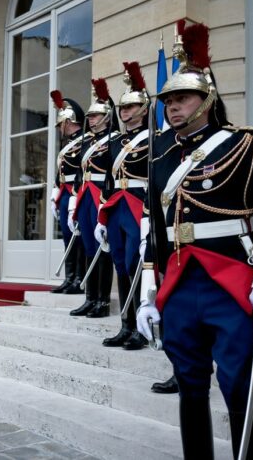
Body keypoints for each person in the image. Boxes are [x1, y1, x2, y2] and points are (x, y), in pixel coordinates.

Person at [136, 20, 253, 459]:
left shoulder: (243, 147)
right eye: (169, 100)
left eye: (183, 98)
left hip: (232, 283)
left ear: (207, 98)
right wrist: (147, 294)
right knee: (190, 386)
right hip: (178, 285)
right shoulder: (158, 156)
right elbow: (157, 232)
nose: (173, 107)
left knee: (238, 387)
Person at [95, 62, 149, 350]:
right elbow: (107, 179)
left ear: (143, 109)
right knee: (119, 263)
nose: (125, 112)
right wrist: (101, 218)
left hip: (140, 204)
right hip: (116, 205)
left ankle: (143, 326)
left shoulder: (153, 138)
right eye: (123, 109)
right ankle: (125, 324)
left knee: (135, 264)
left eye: (130, 108)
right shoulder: (115, 141)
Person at [69, 78, 121, 318]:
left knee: (104, 247)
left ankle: (102, 301)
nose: (89, 119)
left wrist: (106, 199)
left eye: (95, 115)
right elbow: (80, 173)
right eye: (89, 116)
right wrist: (73, 201)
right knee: (89, 246)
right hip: (85, 195)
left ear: (107, 117)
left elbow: (115, 172)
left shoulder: (116, 139)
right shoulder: (87, 141)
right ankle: (90, 297)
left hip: (102, 194)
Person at [49, 90, 89, 294]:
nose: (59, 128)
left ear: (68, 121)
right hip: (65, 194)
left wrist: (74, 195)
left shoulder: (85, 141)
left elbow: (83, 170)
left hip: (78, 193)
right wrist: (55, 190)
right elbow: (62, 171)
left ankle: (79, 278)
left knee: (78, 237)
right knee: (67, 236)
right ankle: (70, 277)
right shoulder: (67, 146)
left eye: (60, 124)